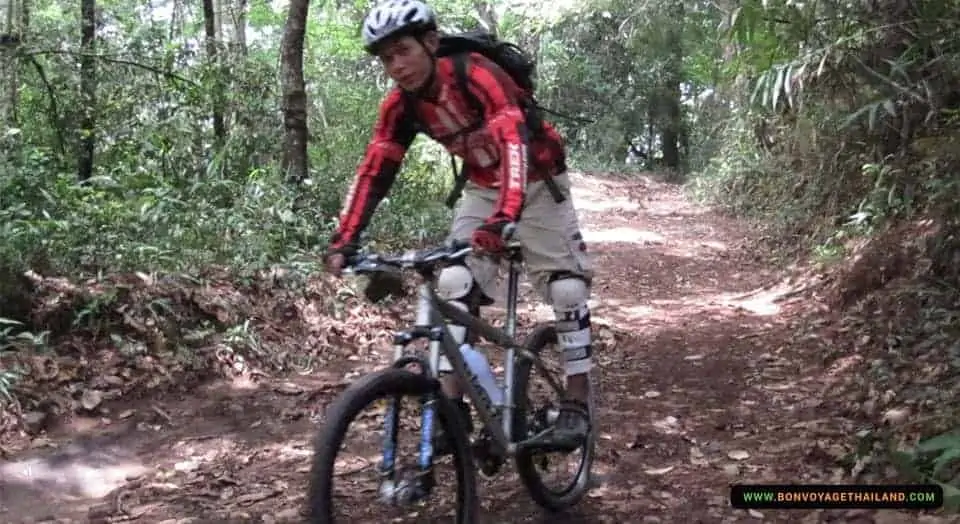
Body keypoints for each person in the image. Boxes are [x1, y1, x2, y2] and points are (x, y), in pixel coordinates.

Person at [322, 0, 594, 451]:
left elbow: (512, 141)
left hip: (539, 181)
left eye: (403, 51)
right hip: (484, 189)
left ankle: (577, 402)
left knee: (566, 291)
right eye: (387, 58)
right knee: (453, 283)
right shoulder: (401, 105)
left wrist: (506, 216)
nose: (397, 66)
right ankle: (454, 411)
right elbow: (376, 167)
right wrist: (345, 238)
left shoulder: (476, 73)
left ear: (430, 43)